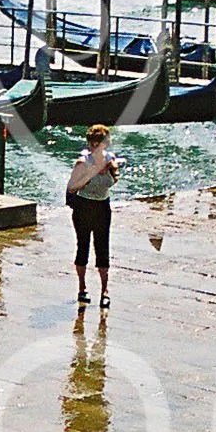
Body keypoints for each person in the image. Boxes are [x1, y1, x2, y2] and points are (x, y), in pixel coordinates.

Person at [66, 124, 119, 307]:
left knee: (103, 248)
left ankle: (105, 290)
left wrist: (110, 170)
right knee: (83, 247)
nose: (95, 147)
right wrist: (89, 174)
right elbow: (71, 188)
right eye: (93, 144)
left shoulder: (110, 160)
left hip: (102, 207)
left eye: (99, 144)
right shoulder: (83, 162)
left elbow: (114, 179)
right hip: (84, 206)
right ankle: (82, 288)